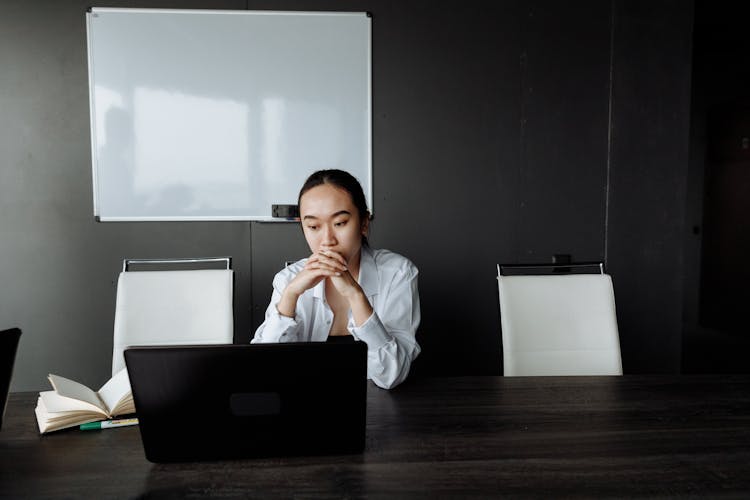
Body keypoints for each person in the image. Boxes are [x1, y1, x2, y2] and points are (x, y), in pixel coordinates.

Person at [252, 169, 420, 389]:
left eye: (340, 223)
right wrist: (291, 296)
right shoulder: (288, 280)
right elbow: (263, 371)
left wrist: (355, 294)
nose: (327, 240)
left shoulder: (397, 273)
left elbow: (391, 376)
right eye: (313, 227)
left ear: (364, 223)